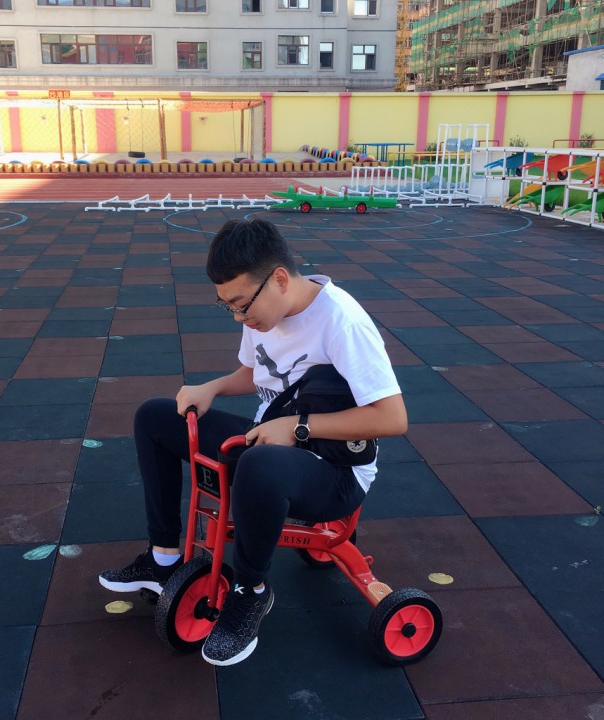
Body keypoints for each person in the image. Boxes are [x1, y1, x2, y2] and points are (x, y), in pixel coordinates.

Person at [99, 218, 407, 667]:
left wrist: (298, 427)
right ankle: (163, 560)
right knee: (156, 416)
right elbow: (257, 372)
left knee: (260, 463)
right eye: (228, 307)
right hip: (271, 445)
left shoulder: (343, 322)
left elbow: (392, 418)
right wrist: (212, 388)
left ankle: (250, 592)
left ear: (279, 279)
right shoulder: (265, 311)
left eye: (241, 305)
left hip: (335, 473)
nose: (239, 317)